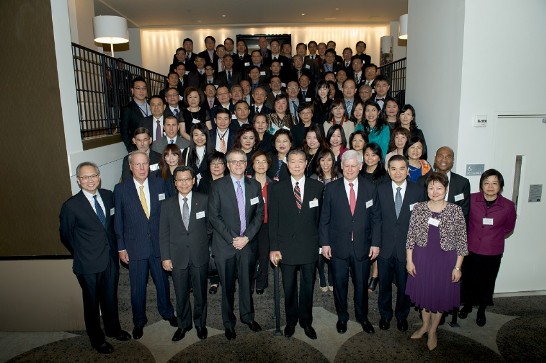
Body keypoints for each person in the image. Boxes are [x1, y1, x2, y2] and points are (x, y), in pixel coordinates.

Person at [59, 162, 131, 354]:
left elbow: (112, 226)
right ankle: (97, 340)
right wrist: (83, 252)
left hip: (110, 260)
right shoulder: (71, 206)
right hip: (87, 263)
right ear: (79, 181)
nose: (90, 180)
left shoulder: (108, 196)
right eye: (85, 177)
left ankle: (113, 329)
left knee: (110, 298)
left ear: (99, 177)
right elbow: (66, 235)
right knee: (91, 304)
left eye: (93, 176)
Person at [114, 151, 177, 340]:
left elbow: (168, 215)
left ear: (149, 165)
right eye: (137, 164)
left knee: (163, 283)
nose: (142, 168)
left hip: (159, 246)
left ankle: (167, 312)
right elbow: (118, 220)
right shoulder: (121, 189)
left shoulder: (160, 183)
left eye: (145, 164)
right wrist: (121, 247)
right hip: (135, 247)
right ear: (130, 167)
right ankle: (139, 321)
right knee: (137, 287)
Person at [320, 150, 381, 335]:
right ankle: (342, 317)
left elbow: (376, 218)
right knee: (340, 285)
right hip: (338, 246)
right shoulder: (331, 188)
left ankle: (363, 317)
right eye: (346, 165)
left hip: (363, 246)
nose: (350, 169)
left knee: (361, 285)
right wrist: (325, 243)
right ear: (341, 166)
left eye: (354, 165)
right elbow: (325, 219)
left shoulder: (371, 187)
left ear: (361, 166)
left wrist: (376, 243)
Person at [406, 172, 468, 350]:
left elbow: (462, 242)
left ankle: (433, 330)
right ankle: (425, 325)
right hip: (422, 257)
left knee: (439, 296)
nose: (435, 191)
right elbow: (410, 236)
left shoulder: (455, 210)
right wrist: (409, 261)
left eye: (439, 188)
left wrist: (458, 267)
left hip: (446, 260)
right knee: (425, 294)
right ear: (427, 189)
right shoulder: (419, 208)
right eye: (431, 188)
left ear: (446, 189)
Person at [208, 148, 265, 340]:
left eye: (242, 161)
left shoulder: (255, 185)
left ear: (246, 163)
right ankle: (228, 323)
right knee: (228, 286)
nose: (238, 164)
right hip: (226, 245)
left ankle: (248, 317)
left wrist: (246, 237)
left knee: (247, 283)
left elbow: (258, 214)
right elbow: (214, 217)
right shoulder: (217, 186)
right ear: (228, 164)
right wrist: (234, 238)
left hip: (247, 244)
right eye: (234, 161)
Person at [269, 149, 324, 340]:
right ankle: (291, 320)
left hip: (309, 245)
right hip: (286, 246)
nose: (297, 165)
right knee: (289, 286)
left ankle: (306, 321)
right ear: (287, 164)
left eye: (301, 161)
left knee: (308, 285)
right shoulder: (276, 188)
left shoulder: (317, 187)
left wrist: (321, 244)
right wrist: (274, 247)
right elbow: (273, 221)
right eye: (293, 162)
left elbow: (320, 219)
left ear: (306, 163)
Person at [458, 169, 516, 326]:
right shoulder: (472, 199)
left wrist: (491, 237)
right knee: (468, 280)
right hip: (470, 249)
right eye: (486, 183)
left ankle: (482, 310)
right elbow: (465, 220)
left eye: (494, 183)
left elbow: (508, 227)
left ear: (500, 185)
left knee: (487, 282)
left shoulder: (508, 206)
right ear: (481, 185)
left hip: (492, 251)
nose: (490, 186)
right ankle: (467, 306)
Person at [159, 166, 210, 342]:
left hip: (199, 255)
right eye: (180, 180)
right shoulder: (166, 205)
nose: (184, 183)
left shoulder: (204, 200)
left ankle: (200, 324)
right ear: (174, 183)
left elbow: (210, 227)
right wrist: (165, 256)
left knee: (200, 293)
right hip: (177, 256)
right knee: (180, 294)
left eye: (187, 179)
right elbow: (163, 233)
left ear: (194, 180)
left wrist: (206, 246)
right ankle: (183, 324)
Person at [375, 155, 425, 332]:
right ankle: (385, 315)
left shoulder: (418, 191)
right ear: (388, 171)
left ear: (408, 171)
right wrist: (376, 243)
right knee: (385, 285)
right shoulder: (379, 189)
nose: (398, 172)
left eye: (402, 168)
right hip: (385, 247)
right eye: (393, 169)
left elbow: (421, 222)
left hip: (408, 249)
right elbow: (376, 219)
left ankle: (402, 316)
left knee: (405, 286)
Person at [310, 148, 341, 293]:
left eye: (329, 160)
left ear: (333, 161)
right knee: (320, 248)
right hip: (317, 219)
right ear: (318, 161)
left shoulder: (340, 177)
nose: (326, 163)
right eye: (322, 160)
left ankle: (331, 274)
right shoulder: (312, 179)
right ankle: (322, 274)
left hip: (336, 220)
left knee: (334, 247)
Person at [429, 146, 471, 223]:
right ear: (435, 159)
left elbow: (464, 212)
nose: (444, 159)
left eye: (448, 156)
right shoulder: (423, 180)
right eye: (440, 156)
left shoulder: (462, 183)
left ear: (453, 161)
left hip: (452, 229)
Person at [251, 151, 273, 295]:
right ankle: (249, 281)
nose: (260, 164)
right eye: (257, 161)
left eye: (263, 161)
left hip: (266, 225)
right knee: (251, 256)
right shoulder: (247, 184)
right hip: (250, 226)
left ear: (268, 165)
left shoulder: (273, 185)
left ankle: (261, 283)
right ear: (252, 165)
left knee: (264, 255)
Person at [120, 77, 149, 151]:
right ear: (132, 90)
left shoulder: (152, 105)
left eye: (144, 88)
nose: (141, 91)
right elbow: (124, 132)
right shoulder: (127, 109)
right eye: (138, 88)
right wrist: (131, 150)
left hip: (155, 147)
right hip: (138, 149)